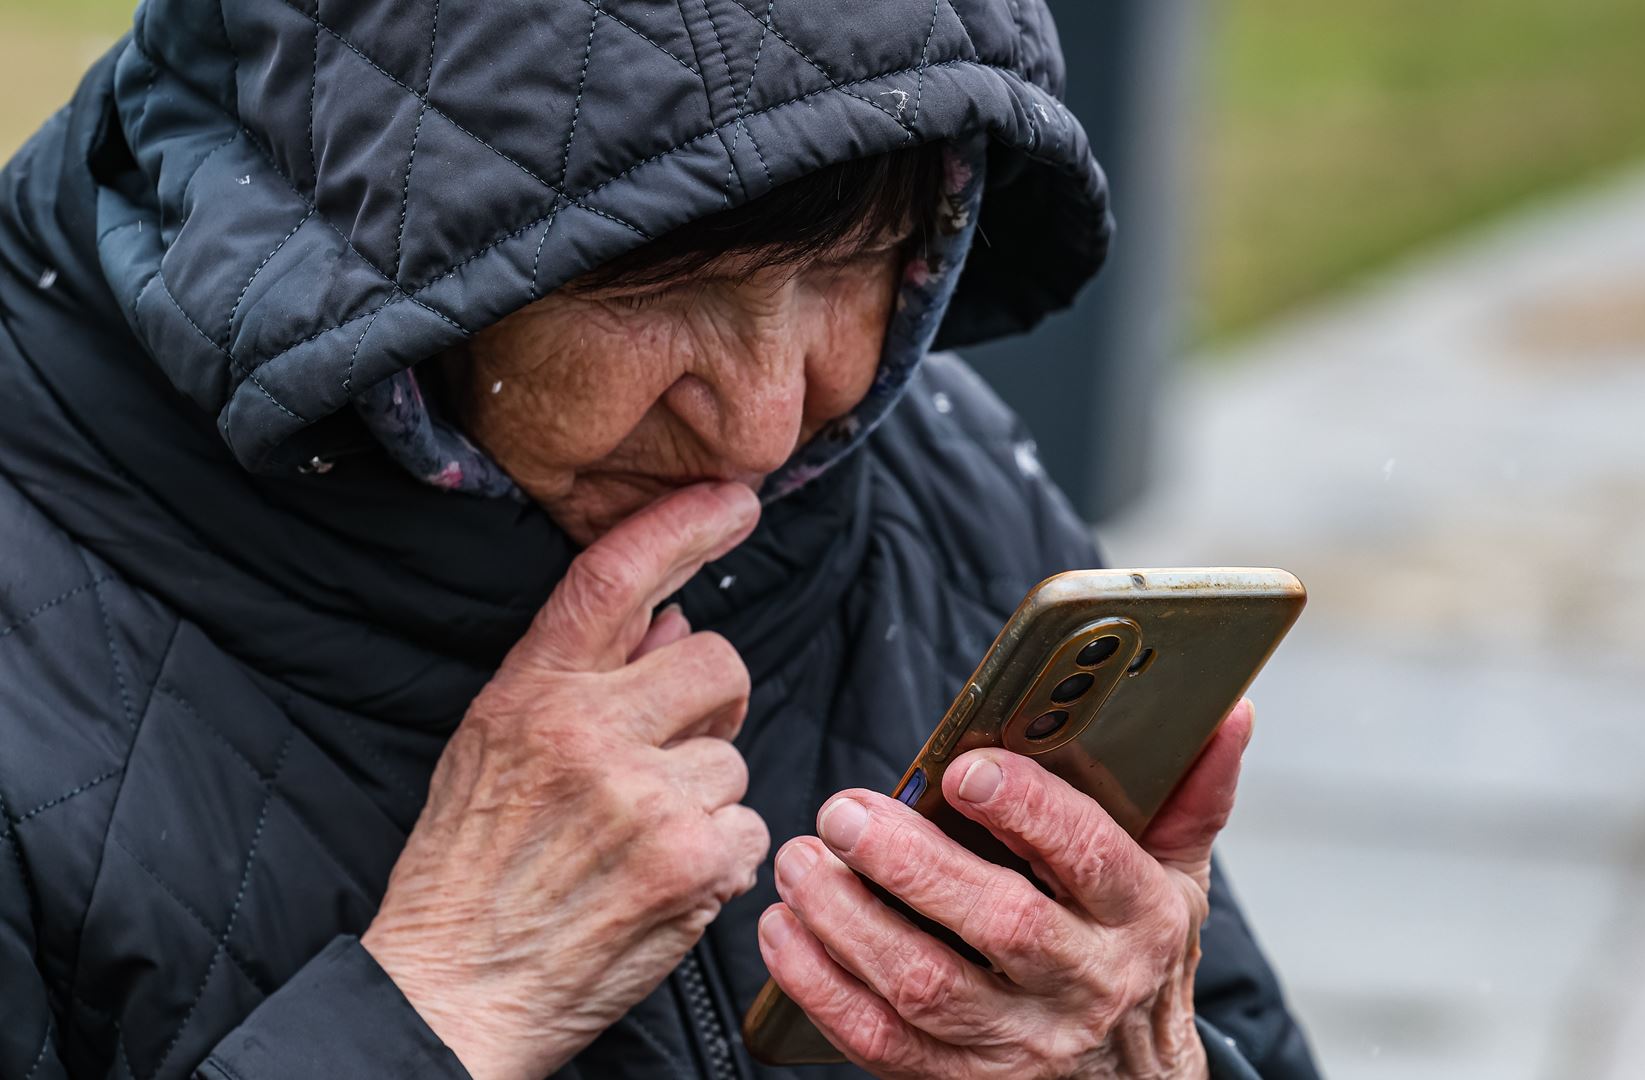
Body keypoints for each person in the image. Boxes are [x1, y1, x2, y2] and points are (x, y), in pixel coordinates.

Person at [0, 1, 1319, 1078]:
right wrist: (442, 1004)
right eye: (665, 289)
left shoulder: (940, 465)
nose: (767, 421)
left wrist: (1145, 1058)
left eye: (854, 263)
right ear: (369, 241)